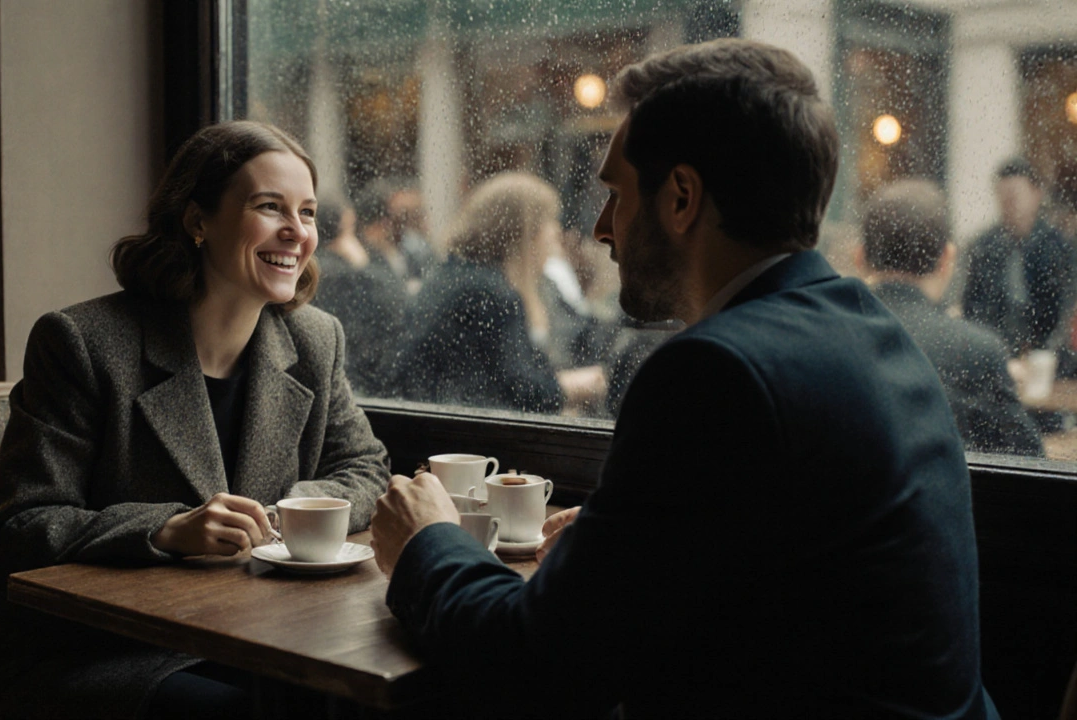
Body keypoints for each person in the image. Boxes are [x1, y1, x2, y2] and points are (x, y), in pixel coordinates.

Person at [371, 39, 997, 719]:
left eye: (614, 194)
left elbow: (536, 665)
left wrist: (426, 543)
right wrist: (627, 544)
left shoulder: (713, 372)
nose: (603, 228)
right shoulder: (870, 329)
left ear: (681, 197)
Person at [0, 121, 391, 720]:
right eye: (269, 207)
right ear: (197, 221)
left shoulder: (315, 340)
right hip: (80, 653)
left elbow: (364, 466)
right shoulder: (81, 342)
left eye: (308, 213)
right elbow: (14, 532)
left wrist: (294, 510)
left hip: (248, 636)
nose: (297, 232)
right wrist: (166, 530)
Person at [858, 179, 1043, 456]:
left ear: (860, 258)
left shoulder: (825, 336)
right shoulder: (977, 350)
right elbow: (1031, 462)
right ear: (947, 258)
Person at [396, 172, 605, 414]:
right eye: (549, 221)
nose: (556, 232)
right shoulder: (489, 294)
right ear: (525, 232)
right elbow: (519, 392)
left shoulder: (455, 274)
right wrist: (575, 386)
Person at [962, 158, 1077, 356]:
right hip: (994, 351)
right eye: (1002, 195)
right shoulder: (984, 247)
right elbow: (973, 306)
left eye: (1015, 195)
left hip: (1049, 355)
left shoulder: (1059, 246)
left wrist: (1045, 352)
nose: (1009, 203)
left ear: (1036, 194)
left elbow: (1067, 308)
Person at [312, 197, 408, 397]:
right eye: (351, 228)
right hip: (358, 380)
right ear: (340, 231)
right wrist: (362, 263)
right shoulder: (342, 272)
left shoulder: (315, 266)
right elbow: (396, 301)